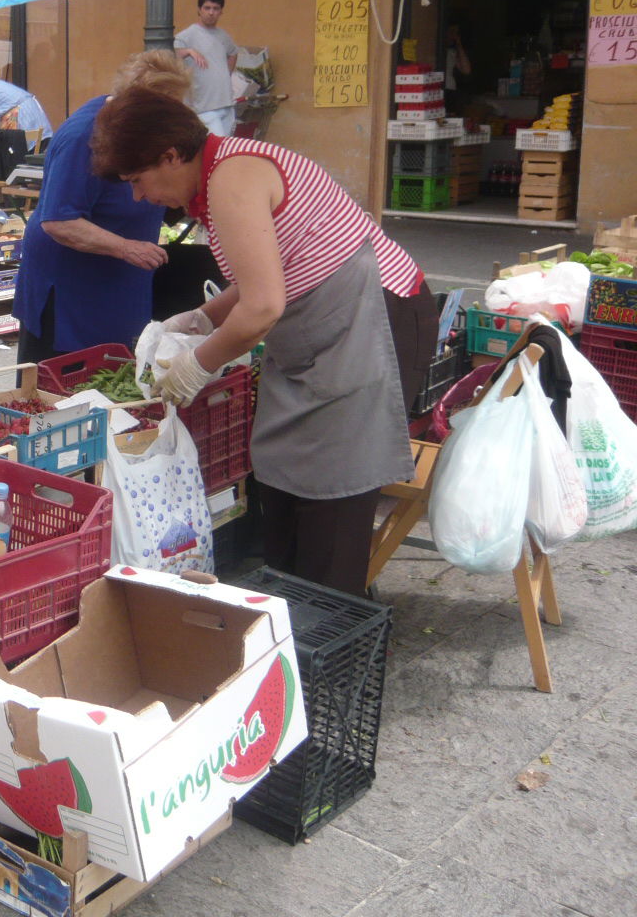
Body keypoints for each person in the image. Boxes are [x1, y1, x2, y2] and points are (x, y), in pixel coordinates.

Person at [91, 88, 437, 594]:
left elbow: (263, 306)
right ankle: (294, 612)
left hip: (372, 321)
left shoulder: (234, 177)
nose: (139, 197)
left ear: (169, 155)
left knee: (333, 494)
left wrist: (196, 366)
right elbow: (268, 268)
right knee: (287, 477)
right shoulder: (220, 176)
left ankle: (332, 628)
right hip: (323, 330)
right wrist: (203, 318)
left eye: (137, 180)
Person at [12, 52, 183, 365]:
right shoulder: (82, 136)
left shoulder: (134, 130)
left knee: (116, 376)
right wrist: (125, 248)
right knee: (60, 393)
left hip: (117, 286)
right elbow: (58, 221)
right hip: (70, 293)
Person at [174, 0, 240, 136]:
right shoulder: (187, 35)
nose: (211, 12)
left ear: (221, 11)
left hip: (226, 102)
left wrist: (225, 74)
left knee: (225, 149)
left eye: (216, 9)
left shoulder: (223, 35)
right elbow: (169, 54)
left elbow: (233, 53)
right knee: (216, 147)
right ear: (199, 10)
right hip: (203, 106)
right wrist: (189, 51)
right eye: (207, 8)